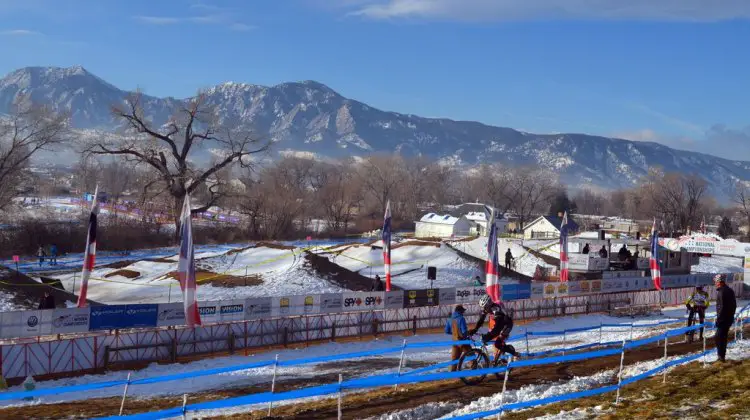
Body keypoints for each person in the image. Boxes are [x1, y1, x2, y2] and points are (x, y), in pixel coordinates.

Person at [468, 295, 519, 360]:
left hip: (507, 325)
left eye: (485, 307)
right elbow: (481, 320)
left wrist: (488, 336)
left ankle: (513, 353)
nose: (484, 309)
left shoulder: (496, 310)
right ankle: (501, 354)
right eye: (483, 308)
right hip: (500, 324)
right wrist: (475, 329)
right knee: (494, 340)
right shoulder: (487, 309)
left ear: (489, 305)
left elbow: (498, 328)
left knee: (497, 344)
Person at [714, 274, 736, 362]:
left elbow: (722, 307)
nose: (715, 283)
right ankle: (722, 356)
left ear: (720, 282)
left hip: (723, 319)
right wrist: (731, 317)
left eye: (716, 281)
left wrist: (719, 319)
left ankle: (721, 357)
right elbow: (734, 305)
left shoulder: (722, 291)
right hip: (728, 318)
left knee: (718, 337)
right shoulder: (730, 290)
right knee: (722, 337)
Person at [445, 304, 470, 371]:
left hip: (455, 341)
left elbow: (447, 331)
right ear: (460, 311)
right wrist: (468, 335)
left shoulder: (450, 319)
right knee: (471, 356)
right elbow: (464, 331)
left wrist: (454, 334)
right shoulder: (461, 318)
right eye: (463, 311)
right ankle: (475, 374)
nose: (463, 313)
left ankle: (452, 375)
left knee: (454, 360)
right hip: (463, 341)